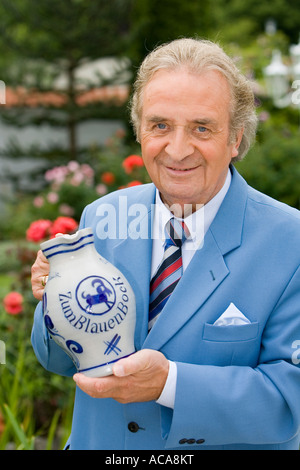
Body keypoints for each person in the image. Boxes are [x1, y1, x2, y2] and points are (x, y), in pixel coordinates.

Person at [31, 38, 300, 450]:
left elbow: (289, 401)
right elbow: (59, 360)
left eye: (201, 128)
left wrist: (169, 384)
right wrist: (53, 303)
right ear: (139, 131)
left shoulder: (289, 241)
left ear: (236, 139)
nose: (177, 150)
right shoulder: (101, 217)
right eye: (160, 125)